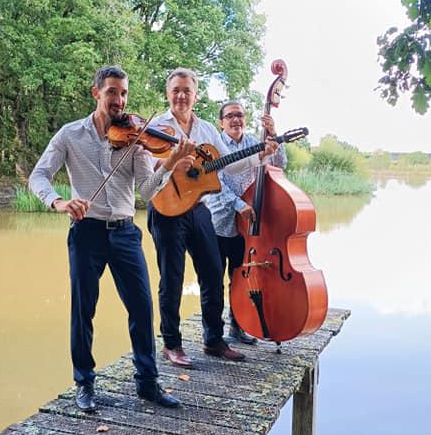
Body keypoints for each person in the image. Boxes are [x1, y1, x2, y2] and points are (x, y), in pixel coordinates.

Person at [28, 65, 191, 413]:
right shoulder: (70, 135)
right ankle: (84, 383)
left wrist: (169, 164)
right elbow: (38, 176)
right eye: (113, 92)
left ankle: (148, 384)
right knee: (83, 310)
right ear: (96, 93)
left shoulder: (135, 139)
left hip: (125, 233)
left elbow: (146, 191)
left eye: (124, 93)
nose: (120, 100)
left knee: (142, 309)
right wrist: (58, 201)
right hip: (86, 233)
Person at [147, 69, 277, 368]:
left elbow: (223, 169)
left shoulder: (206, 129)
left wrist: (261, 154)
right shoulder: (157, 127)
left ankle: (214, 340)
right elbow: (147, 170)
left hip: (198, 210)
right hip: (166, 209)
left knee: (212, 273)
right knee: (172, 278)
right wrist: (172, 163)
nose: (181, 95)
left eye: (187, 91)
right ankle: (172, 344)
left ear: (196, 95)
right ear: (168, 94)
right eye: (176, 90)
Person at [204, 101, 287, 345]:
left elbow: (279, 165)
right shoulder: (214, 147)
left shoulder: (254, 142)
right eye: (230, 116)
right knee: (213, 282)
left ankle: (237, 327)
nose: (235, 120)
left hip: (248, 229)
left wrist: (273, 135)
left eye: (239, 115)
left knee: (240, 279)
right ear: (221, 122)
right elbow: (215, 183)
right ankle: (213, 335)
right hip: (218, 221)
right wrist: (240, 206)